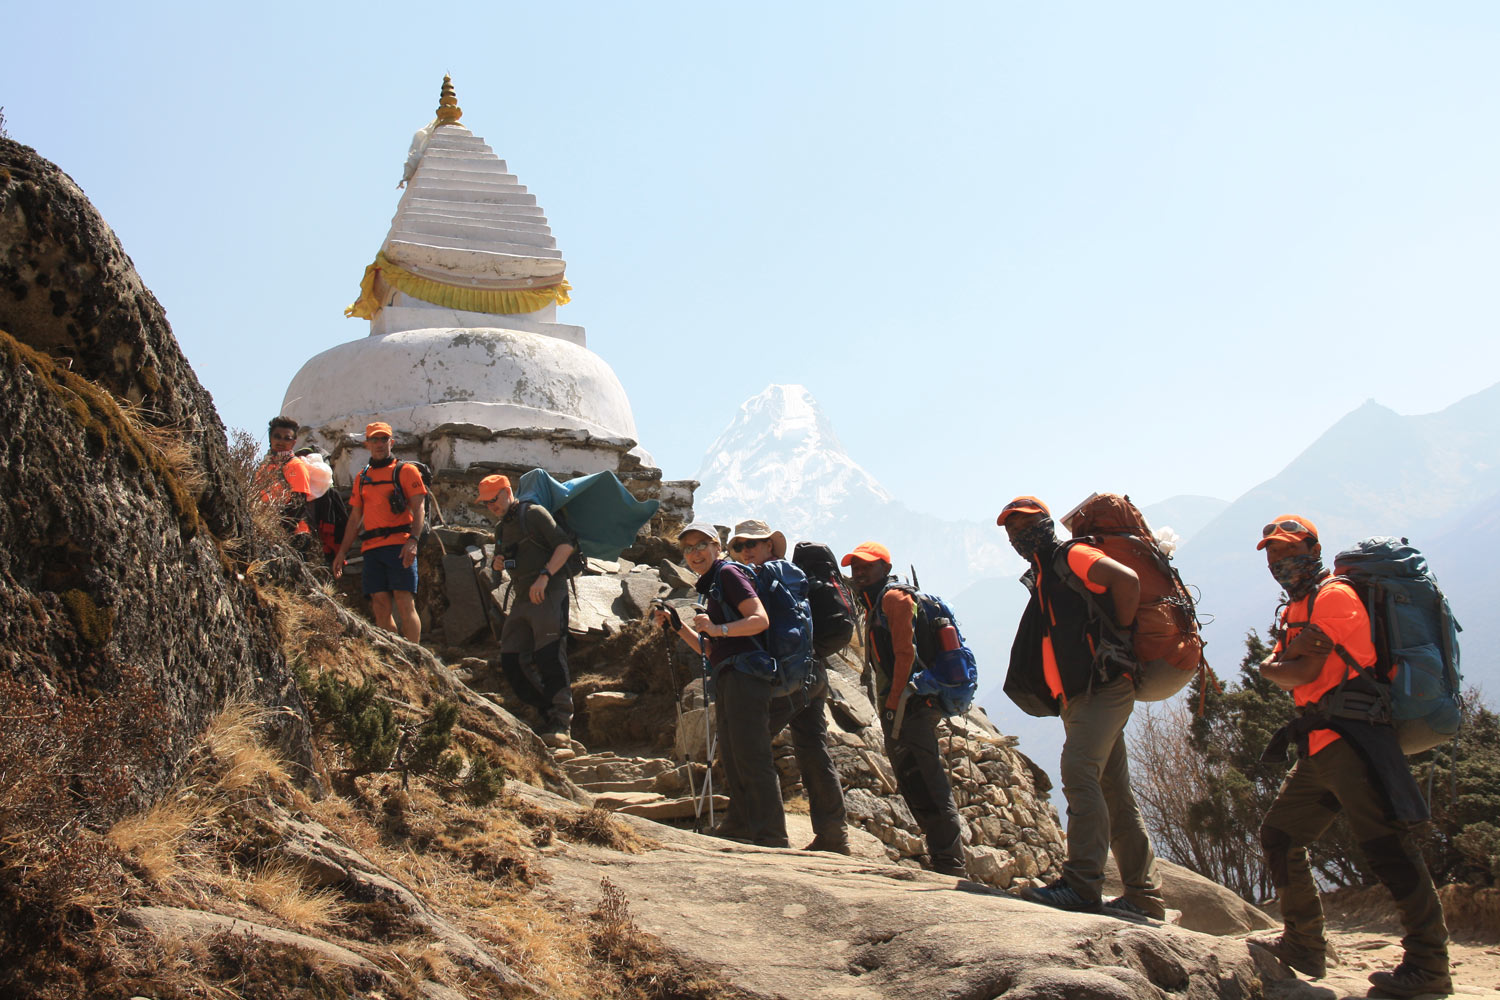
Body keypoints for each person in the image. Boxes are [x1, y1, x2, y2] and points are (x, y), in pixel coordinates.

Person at [1250, 515, 1450, 998]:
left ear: (1314, 550)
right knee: (1280, 836)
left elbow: (1297, 674)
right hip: (1320, 744)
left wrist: (1272, 663)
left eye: (1290, 551)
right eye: (1274, 555)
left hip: (1353, 741)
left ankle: (1429, 965)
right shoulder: (1297, 606)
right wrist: (1283, 659)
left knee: (1389, 848)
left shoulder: (1334, 597)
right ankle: (1303, 944)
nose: (1281, 562)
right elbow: (1291, 665)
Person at [997, 496, 1164, 917]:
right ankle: (1144, 895)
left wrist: (1120, 639)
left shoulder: (1073, 554)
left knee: (1078, 771)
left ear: (1047, 524)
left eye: (1026, 525)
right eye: (1011, 530)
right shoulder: (1045, 571)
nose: (1018, 535)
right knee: (1114, 790)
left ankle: (1082, 884)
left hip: (1102, 688)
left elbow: (1126, 581)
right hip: (1079, 695)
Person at [652, 521, 789, 848]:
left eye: (701, 545)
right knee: (732, 752)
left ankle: (772, 834)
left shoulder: (729, 574)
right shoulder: (712, 584)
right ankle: (741, 824)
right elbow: (708, 650)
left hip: (747, 675)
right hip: (729, 673)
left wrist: (718, 629)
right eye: (687, 548)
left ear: (717, 546)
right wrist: (678, 625)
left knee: (751, 753)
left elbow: (759, 619)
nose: (694, 553)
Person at [842, 540, 965, 877]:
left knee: (927, 775)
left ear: (885, 567)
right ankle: (941, 853)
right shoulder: (877, 601)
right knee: (913, 773)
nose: (859, 571)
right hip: (906, 702)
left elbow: (904, 654)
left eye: (867, 565)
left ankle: (950, 860)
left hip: (911, 703)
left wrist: (895, 701)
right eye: (855, 566)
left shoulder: (894, 599)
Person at [728, 519, 850, 854]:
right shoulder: (792, 577)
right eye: (739, 546)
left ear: (770, 545)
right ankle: (833, 834)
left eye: (752, 543)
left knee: (748, 745)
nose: (745, 550)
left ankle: (755, 826)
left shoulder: (759, 579)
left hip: (783, 679)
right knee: (813, 749)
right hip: (812, 673)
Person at [480, 474, 577, 748]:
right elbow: (509, 560)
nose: (492, 506)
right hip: (523, 596)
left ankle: (561, 724)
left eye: (495, 499)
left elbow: (565, 545)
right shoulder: (502, 528)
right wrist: (499, 564)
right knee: (511, 660)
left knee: (549, 656)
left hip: (549, 592)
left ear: (507, 491)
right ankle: (547, 714)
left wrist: (545, 576)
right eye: (487, 503)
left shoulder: (533, 514)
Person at [332, 422, 425, 642]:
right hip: (372, 548)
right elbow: (355, 518)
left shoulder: (406, 471)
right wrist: (342, 552)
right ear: (367, 444)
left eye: (384, 439)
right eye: (375, 439)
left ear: (391, 442)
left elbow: (419, 506)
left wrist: (413, 540)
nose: (380, 444)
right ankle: (397, 654)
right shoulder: (362, 478)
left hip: (400, 544)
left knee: (404, 601)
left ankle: (417, 658)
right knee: (380, 604)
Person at [252, 416, 316, 553]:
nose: (281, 441)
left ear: (294, 443)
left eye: (287, 438)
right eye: (277, 436)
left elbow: (297, 504)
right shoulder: (263, 468)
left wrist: (280, 532)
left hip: (294, 534)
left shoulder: (296, 466)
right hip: (266, 531)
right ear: (270, 438)